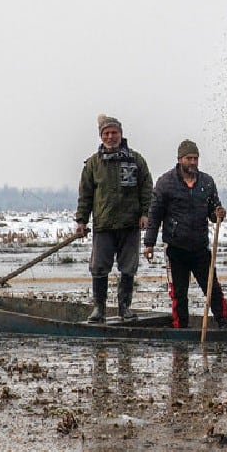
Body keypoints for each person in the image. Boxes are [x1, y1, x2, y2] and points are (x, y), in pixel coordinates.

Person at [143, 139, 227, 328]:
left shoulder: (206, 182)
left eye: (195, 158)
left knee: (212, 287)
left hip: (200, 247)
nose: (192, 162)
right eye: (189, 158)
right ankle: (181, 327)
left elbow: (213, 212)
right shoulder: (165, 183)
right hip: (175, 248)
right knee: (179, 293)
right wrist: (149, 243)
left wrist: (219, 213)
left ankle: (223, 322)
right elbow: (155, 214)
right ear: (180, 159)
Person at [74, 114, 152, 322]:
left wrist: (145, 213)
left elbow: (146, 188)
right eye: (106, 133)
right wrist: (81, 220)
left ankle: (124, 308)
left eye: (114, 133)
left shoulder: (135, 160)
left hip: (130, 224)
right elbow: (86, 194)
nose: (110, 136)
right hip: (103, 225)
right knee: (99, 267)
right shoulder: (93, 163)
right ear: (101, 136)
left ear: (121, 134)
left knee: (128, 267)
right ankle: (99, 309)